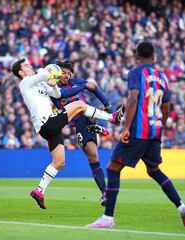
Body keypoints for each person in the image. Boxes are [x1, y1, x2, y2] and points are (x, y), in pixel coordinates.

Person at [86, 42, 185, 228]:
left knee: (113, 168)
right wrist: (161, 128)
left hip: (138, 131)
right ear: (154, 57)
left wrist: (126, 127)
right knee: (153, 170)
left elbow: (133, 98)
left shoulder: (136, 73)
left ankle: (108, 218)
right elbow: (166, 109)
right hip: (155, 130)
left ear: (137, 56)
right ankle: (182, 207)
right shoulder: (163, 78)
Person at [12, 59, 124, 209]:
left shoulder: (41, 83)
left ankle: (39, 191)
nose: (30, 66)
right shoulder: (25, 83)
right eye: (26, 66)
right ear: (21, 73)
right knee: (79, 105)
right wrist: (51, 73)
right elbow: (44, 73)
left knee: (59, 162)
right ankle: (111, 118)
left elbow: (58, 94)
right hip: (47, 122)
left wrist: (53, 84)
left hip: (51, 128)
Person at [51, 60, 116, 206]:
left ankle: (94, 123)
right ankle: (105, 193)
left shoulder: (76, 81)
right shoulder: (53, 88)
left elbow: (93, 87)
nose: (66, 76)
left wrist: (107, 104)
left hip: (84, 119)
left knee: (84, 112)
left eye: (69, 73)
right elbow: (64, 94)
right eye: (63, 73)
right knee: (93, 158)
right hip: (78, 124)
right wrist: (82, 86)